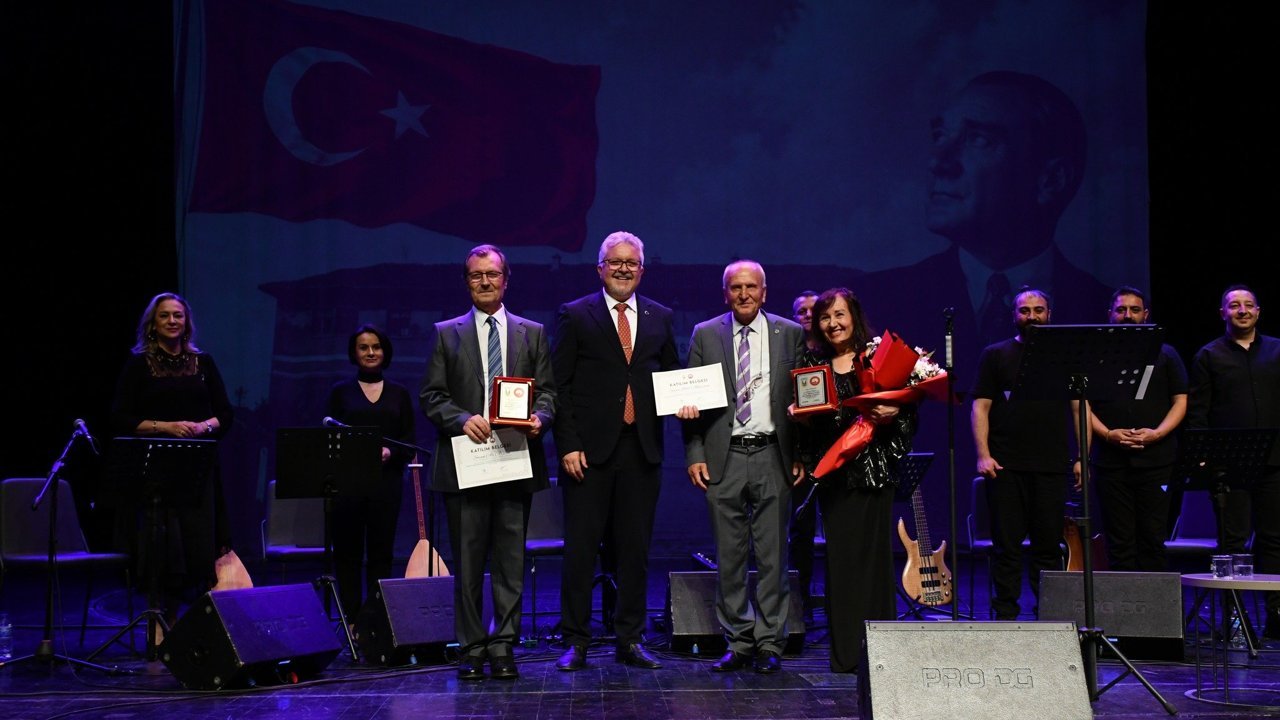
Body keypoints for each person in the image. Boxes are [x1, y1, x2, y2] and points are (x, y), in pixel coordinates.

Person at [421, 244, 556, 680]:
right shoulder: (446, 333)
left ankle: (503, 646)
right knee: (468, 562)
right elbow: (432, 396)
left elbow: (548, 393)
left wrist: (540, 418)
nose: (485, 281)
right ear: (467, 282)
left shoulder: (532, 332)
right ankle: (472, 647)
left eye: (492, 274)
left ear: (505, 280)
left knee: (510, 561)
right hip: (467, 461)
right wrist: (461, 419)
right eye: (476, 275)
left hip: (514, 459)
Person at [551, 231, 678, 672]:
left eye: (631, 263)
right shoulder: (575, 314)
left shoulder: (661, 316)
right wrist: (568, 445)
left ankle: (630, 638)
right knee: (581, 550)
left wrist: (687, 401)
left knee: (634, 552)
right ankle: (576, 640)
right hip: (587, 454)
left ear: (642, 269)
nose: (624, 269)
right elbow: (559, 386)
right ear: (600, 268)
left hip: (641, 450)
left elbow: (671, 376)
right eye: (615, 262)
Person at [678, 260, 805, 675]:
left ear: (764, 292)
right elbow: (690, 402)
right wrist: (695, 453)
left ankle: (769, 642)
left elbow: (805, 399)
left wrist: (800, 453)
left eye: (752, 287)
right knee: (729, 557)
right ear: (725, 293)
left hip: (773, 455)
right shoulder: (705, 333)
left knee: (773, 556)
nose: (744, 294)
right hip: (724, 456)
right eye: (736, 287)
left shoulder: (790, 332)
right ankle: (739, 641)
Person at [793, 287, 916, 673]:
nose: (833, 323)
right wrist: (800, 418)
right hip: (836, 477)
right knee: (841, 564)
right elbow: (812, 430)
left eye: (839, 315)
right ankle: (847, 653)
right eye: (825, 317)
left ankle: (881, 656)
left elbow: (909, 416)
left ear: (854, 317)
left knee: (875, 563)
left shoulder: (876, 357)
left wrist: (894, 412)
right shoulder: (812, 365)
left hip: (874, 474)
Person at [110, 292, 234, 618]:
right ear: (153, 324)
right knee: (165, 552)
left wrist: (203, 426)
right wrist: (166, 427)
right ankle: (163, 622)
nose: (172, 321)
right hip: (157, 471)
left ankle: (198, 625)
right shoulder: (139, 364)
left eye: (178, 315)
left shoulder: (203, 363)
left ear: (186, 321)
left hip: (199, 469)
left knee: (199, 546)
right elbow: (120, 417)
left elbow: (225, 414)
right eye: (164, 315)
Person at [970, 286, 1073, 620]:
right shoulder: (995, 355)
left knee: (1048, 547)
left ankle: (1050, 616)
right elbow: (980, 407)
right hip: (1005, 466)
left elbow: (1079, 409)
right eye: (1025, 311)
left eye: (1038, 310)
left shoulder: (1064, 355)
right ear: (1014, 315)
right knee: (1007, 548)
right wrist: (983, 454)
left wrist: (1081, 458)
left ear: (1049, 314)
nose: (1032, 317)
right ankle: (1005, 616)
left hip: (1051, 466)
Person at [1187, 284, 1280, 638]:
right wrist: (1203, 457)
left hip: (1274, 461)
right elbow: (1199, 411)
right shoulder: (1209, 355)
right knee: (1232, 542)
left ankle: (1276, 614)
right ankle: (1235, 618)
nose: (1242, 310)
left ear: (1258, 311)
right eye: (1234, 305)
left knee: (1274, 539)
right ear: (1223, 313)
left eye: (1248, 305)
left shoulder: (1277, 350)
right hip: (1229, 463)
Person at [1084, 287, 1186, 571]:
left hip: (1157, 461)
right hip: (1110, 462)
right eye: (1121, 310)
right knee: (1119, 543)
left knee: (1153, 539)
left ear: (1146, 315)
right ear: (1110, 314)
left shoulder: (1166, 353)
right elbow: (1082, 405)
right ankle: (1122, 601)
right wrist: (1107, 434)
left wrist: (1158, 433)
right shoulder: (1094, 355)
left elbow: (1181, 400)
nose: (1127, 315)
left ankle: (1152, 601)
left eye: (1134, 310)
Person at [326, 324, 416, 621]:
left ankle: (376, 620)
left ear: (385, 351)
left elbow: (409, 440)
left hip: (386, 485)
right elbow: (328, 438)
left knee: (381, 554)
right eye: (363, 347)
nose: (370, 352)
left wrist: (390, 452)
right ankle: (352, 621)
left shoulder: (400, 393)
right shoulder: (340, 392)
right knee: (347, 555)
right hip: (347, 486)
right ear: (354, 353)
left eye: (376, 347)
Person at [789, 290, 821, 615]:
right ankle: (801, 603)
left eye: (815, 309)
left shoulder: (835, 351)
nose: (809, 315)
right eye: (802, 311)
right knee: (801, 531)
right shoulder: (790, 353)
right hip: (800, 454)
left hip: (835, 450)